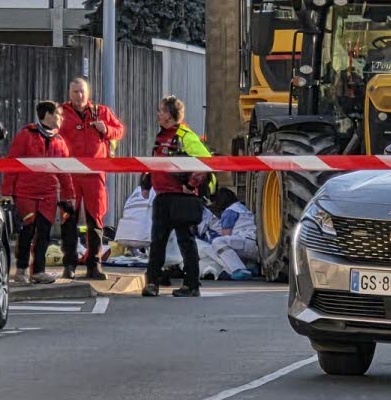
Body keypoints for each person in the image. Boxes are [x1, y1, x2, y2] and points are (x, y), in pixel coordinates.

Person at [140, 95, 214, 297]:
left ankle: (191, 285)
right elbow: (157, 163)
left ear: (170, 115)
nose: (158, 114)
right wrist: (146, 182)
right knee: (157, 242)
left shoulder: (185, 136)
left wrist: (191, 185)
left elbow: (206, 162)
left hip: (182, 198)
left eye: (161, 110)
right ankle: (152, 283)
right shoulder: (161, 136)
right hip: (163, 196)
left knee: (185, 241)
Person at [1, 101, 75, 285]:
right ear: (48, 115)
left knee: (44, 233)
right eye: (58, 114)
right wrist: (7, 192)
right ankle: (21, 270)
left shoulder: (59, 141)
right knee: (27, 231)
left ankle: (39, 271)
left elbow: (64, 171)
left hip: (48, 194)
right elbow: (12, 164)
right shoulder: (26, 135)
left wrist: (69, 195)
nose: (61, 118)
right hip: (26, 192)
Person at [59, 78, 125, 280]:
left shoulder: (101, 111)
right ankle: (69, 264)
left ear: (88, 93)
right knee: (68, 219)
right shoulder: (61, 113)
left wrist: (106, 130)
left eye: (82, 91)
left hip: (95, 176)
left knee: (95, 220)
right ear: (69, 93)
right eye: (75, 91)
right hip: (70, 175)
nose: (79, 95)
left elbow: (119, 130)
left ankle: (94, 265)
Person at [207, 187, 256, 279]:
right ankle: (251, 266)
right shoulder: (242, 208)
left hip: (247, 243)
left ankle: (239, 269)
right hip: (256, 244)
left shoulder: (229, 211)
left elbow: (226, 235)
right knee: (232, 244)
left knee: (218, 242)